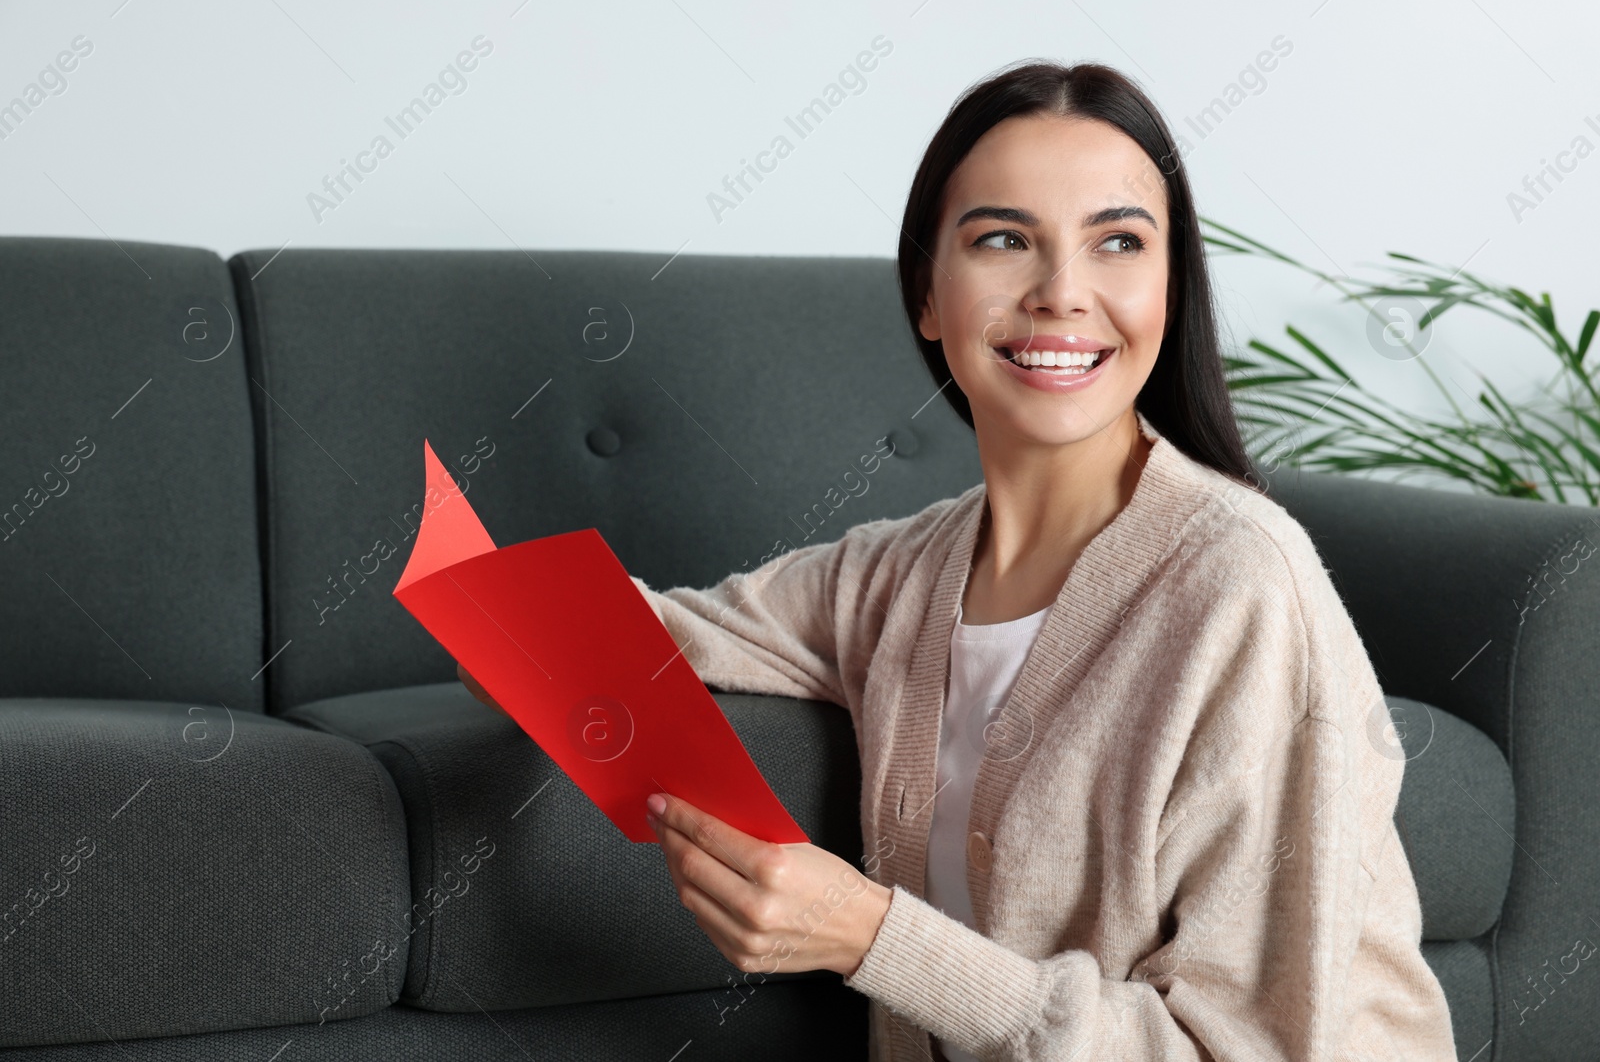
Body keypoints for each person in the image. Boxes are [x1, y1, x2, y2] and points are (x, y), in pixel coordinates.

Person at [462, 58, 1457, 1061]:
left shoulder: (1241, 586)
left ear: (1168, 287)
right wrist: (496, 633)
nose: (1062, 292)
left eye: (1117, 241)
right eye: (1001, 240)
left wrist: (865, 932)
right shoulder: (898, 575)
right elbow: (651, 631)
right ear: (928, 296)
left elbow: (1249, 1048)